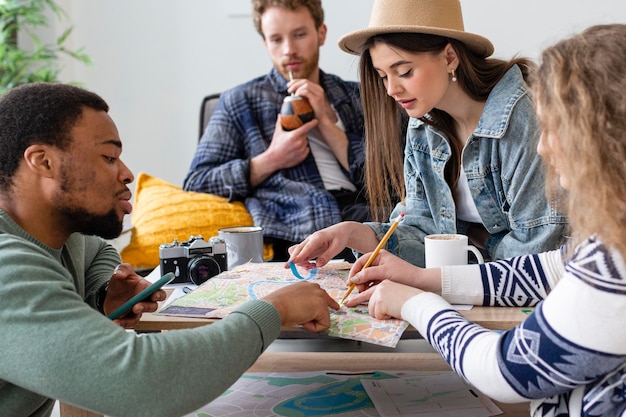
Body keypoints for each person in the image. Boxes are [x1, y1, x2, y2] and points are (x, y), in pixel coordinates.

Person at [0, 82, 339, 417]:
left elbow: (96, 251)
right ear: (43, 162)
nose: (126, 173)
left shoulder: (62, 236)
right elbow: (143, 381)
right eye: (109, 157)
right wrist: (274, 310)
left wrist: (104, 292)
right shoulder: (8, 269)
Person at [343, 24, 626, 416]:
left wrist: (417, 303)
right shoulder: (610, 246)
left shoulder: (615, 269)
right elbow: (549, 266)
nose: (542, 145)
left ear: (601, 139)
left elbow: (503, 371)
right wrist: (422, 278)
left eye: (556, 128)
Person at [288, 0, 567, 269]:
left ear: (449, 57)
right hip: (478, 289)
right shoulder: (424, 124)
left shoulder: (523, 117)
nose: (391, 90)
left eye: (404, 71)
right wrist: (351, 233)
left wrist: (471, 250)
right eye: (383, 76)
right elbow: (422, 233)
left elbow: (536, 253)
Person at [183, 0, 371, 262]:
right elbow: (197, 182)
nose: (289, 50)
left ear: (321, 33)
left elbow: (395, 180)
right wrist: (271, 159)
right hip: (293, 227)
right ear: (265, 43)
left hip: (365, 220)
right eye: (276, 39)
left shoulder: (359, 96)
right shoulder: (240, 102)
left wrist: (330, 126)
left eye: (300, 34)